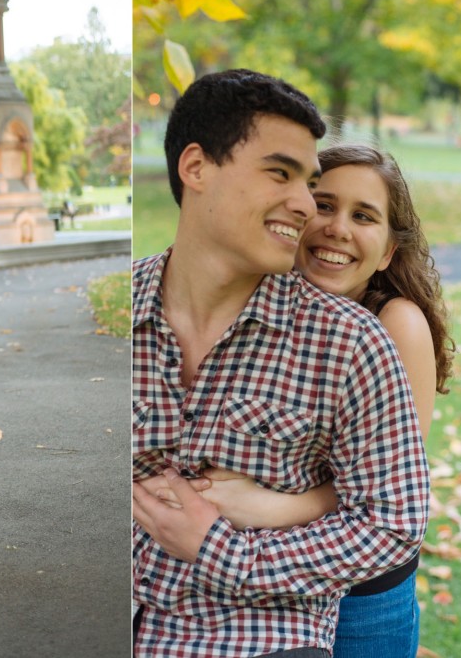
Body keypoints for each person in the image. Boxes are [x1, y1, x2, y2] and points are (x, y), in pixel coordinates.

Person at [131, 69, 430, 657]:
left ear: (389, 249)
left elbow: (392, 514)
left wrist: (228, 541)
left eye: (363, 217)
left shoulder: (373, 336)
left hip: (329, 608)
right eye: (284, 176)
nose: (315, 216)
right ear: (195, 168)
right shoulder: (130, 311)